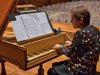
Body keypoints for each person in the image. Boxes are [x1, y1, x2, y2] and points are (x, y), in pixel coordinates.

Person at [47, 6, 100, 75]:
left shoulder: (81, 33)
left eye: (73, 19)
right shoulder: (95, 30)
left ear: (81, 20)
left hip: (80, 71)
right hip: (91, 69)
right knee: (58, 65)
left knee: (52, 71)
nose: (71, 21)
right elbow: (86, 46)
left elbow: (71, 54)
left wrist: (59, 47)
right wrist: (73, 44)